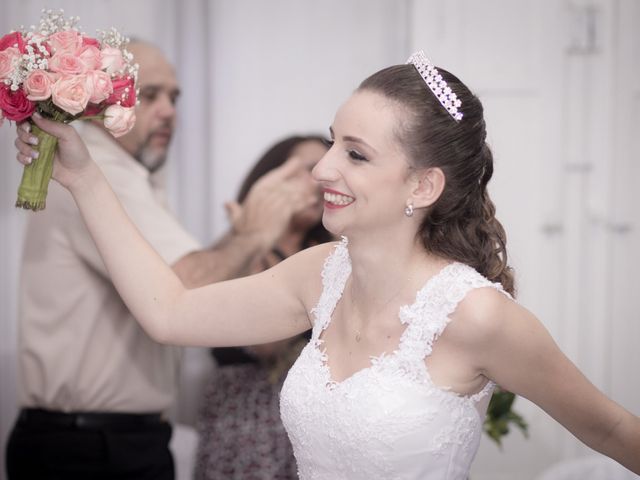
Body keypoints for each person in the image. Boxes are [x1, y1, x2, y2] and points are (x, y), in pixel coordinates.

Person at [13, 50, 640, 479]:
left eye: (356, 155)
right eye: (333, 140)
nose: (321, 169)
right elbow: (168, 312)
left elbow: (612, 429)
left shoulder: (475, 315)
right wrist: (83, 176)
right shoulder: (318, 274)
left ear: (422, 187)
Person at [5, 41, 317, 480]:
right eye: (149, 95)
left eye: (174, 97)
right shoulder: (102, 173)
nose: (169, 111)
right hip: (89, 447)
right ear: (95, 101)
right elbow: (183, 286)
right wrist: (254, 232)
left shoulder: (133, 176)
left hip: (107, 439)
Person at [195, 135, 332, 480]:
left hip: (313, 420)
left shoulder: (330, 255)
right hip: (246, 415)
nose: (318, 183)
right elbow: (264, 342)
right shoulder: (239, 247)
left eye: (325, 171)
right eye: (305, 171)